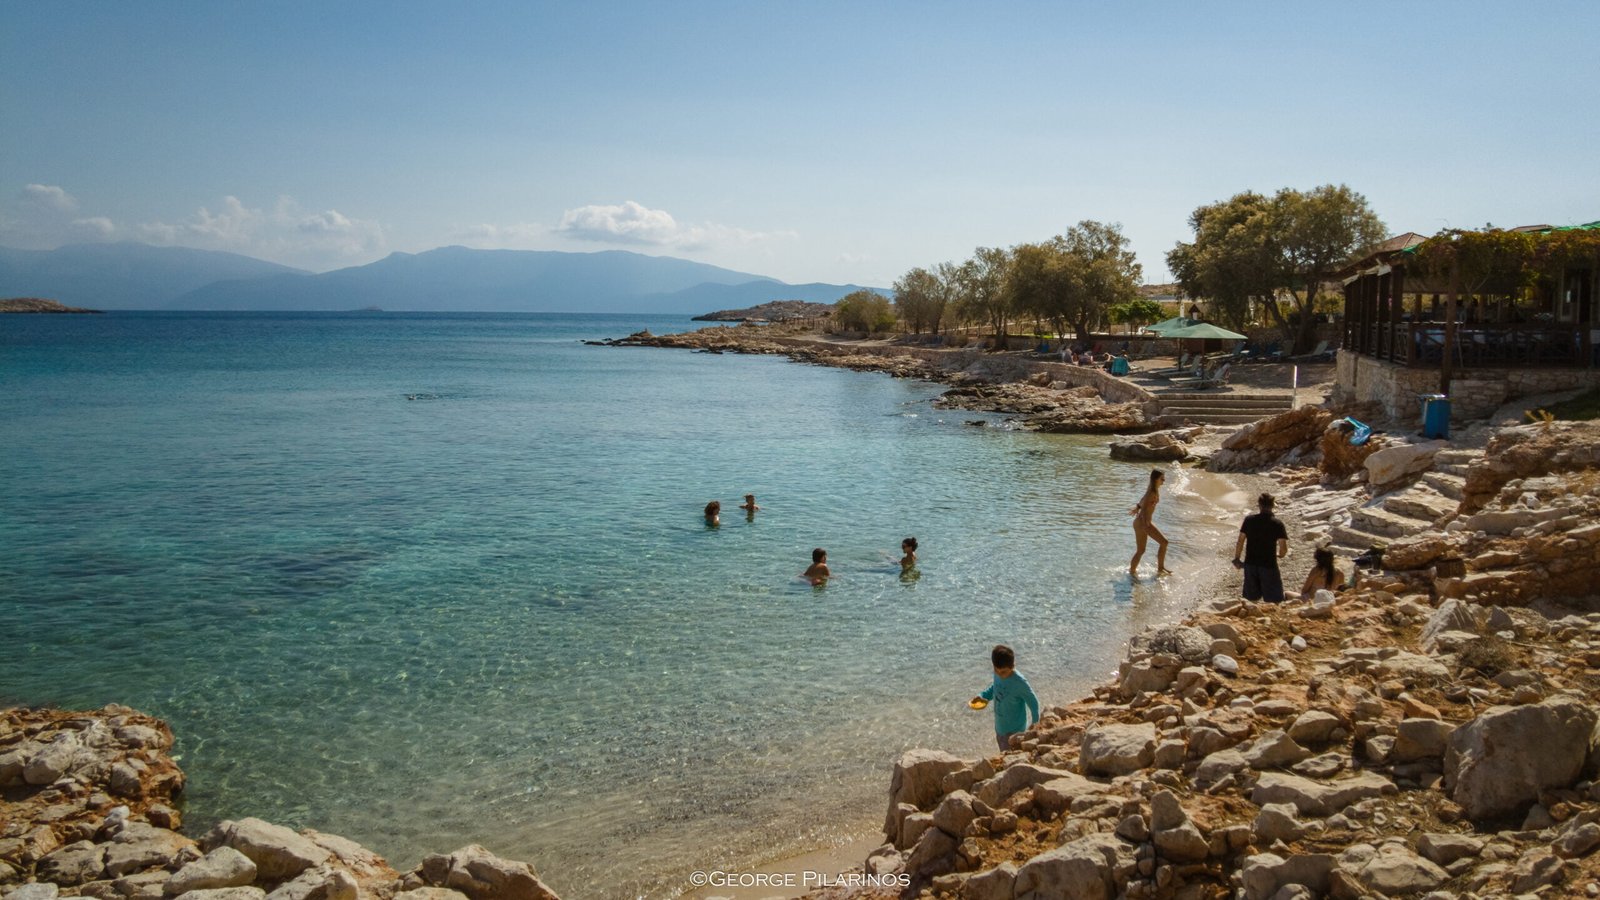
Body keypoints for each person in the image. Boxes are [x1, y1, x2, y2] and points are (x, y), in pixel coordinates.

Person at [970, 645, 1040, 753]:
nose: (999, 674)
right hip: (1000, 728)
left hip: (1015, 732)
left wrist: (1034, 727)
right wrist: (983, 695)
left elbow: (1034, 704)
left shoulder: (1020, 683)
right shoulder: (998, 673)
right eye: (996, 670)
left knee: (1011, 757)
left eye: (1003, 672)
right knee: (1003, 750)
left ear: (1013, 666)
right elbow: (995, 688)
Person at [1233, 493, 1289, 602]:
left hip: (1250, 564)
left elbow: (1240, 541)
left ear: (1259, 505)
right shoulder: (1277, 524)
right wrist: (1280, 555)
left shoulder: (1249, 520)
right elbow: (1283, 548)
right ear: (1272, 505)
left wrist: (1237, 558)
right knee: (1274, 601)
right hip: (1269, 565)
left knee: (1250, 600)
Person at [1128, 469, 1171, 577]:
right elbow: (1143, 510)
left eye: (1164, 479)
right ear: (1156, 479)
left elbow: (1143, 500)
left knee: (1141, 550)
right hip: (1142, 522)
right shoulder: (1152, 492)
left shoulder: (1152, 490)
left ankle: (1132, 572)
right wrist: (1145, 525)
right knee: (1164, 542)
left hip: (1142, 522)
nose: (1164, 481)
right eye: (1162, 479)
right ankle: (1158, 569)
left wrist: (1137, 507)